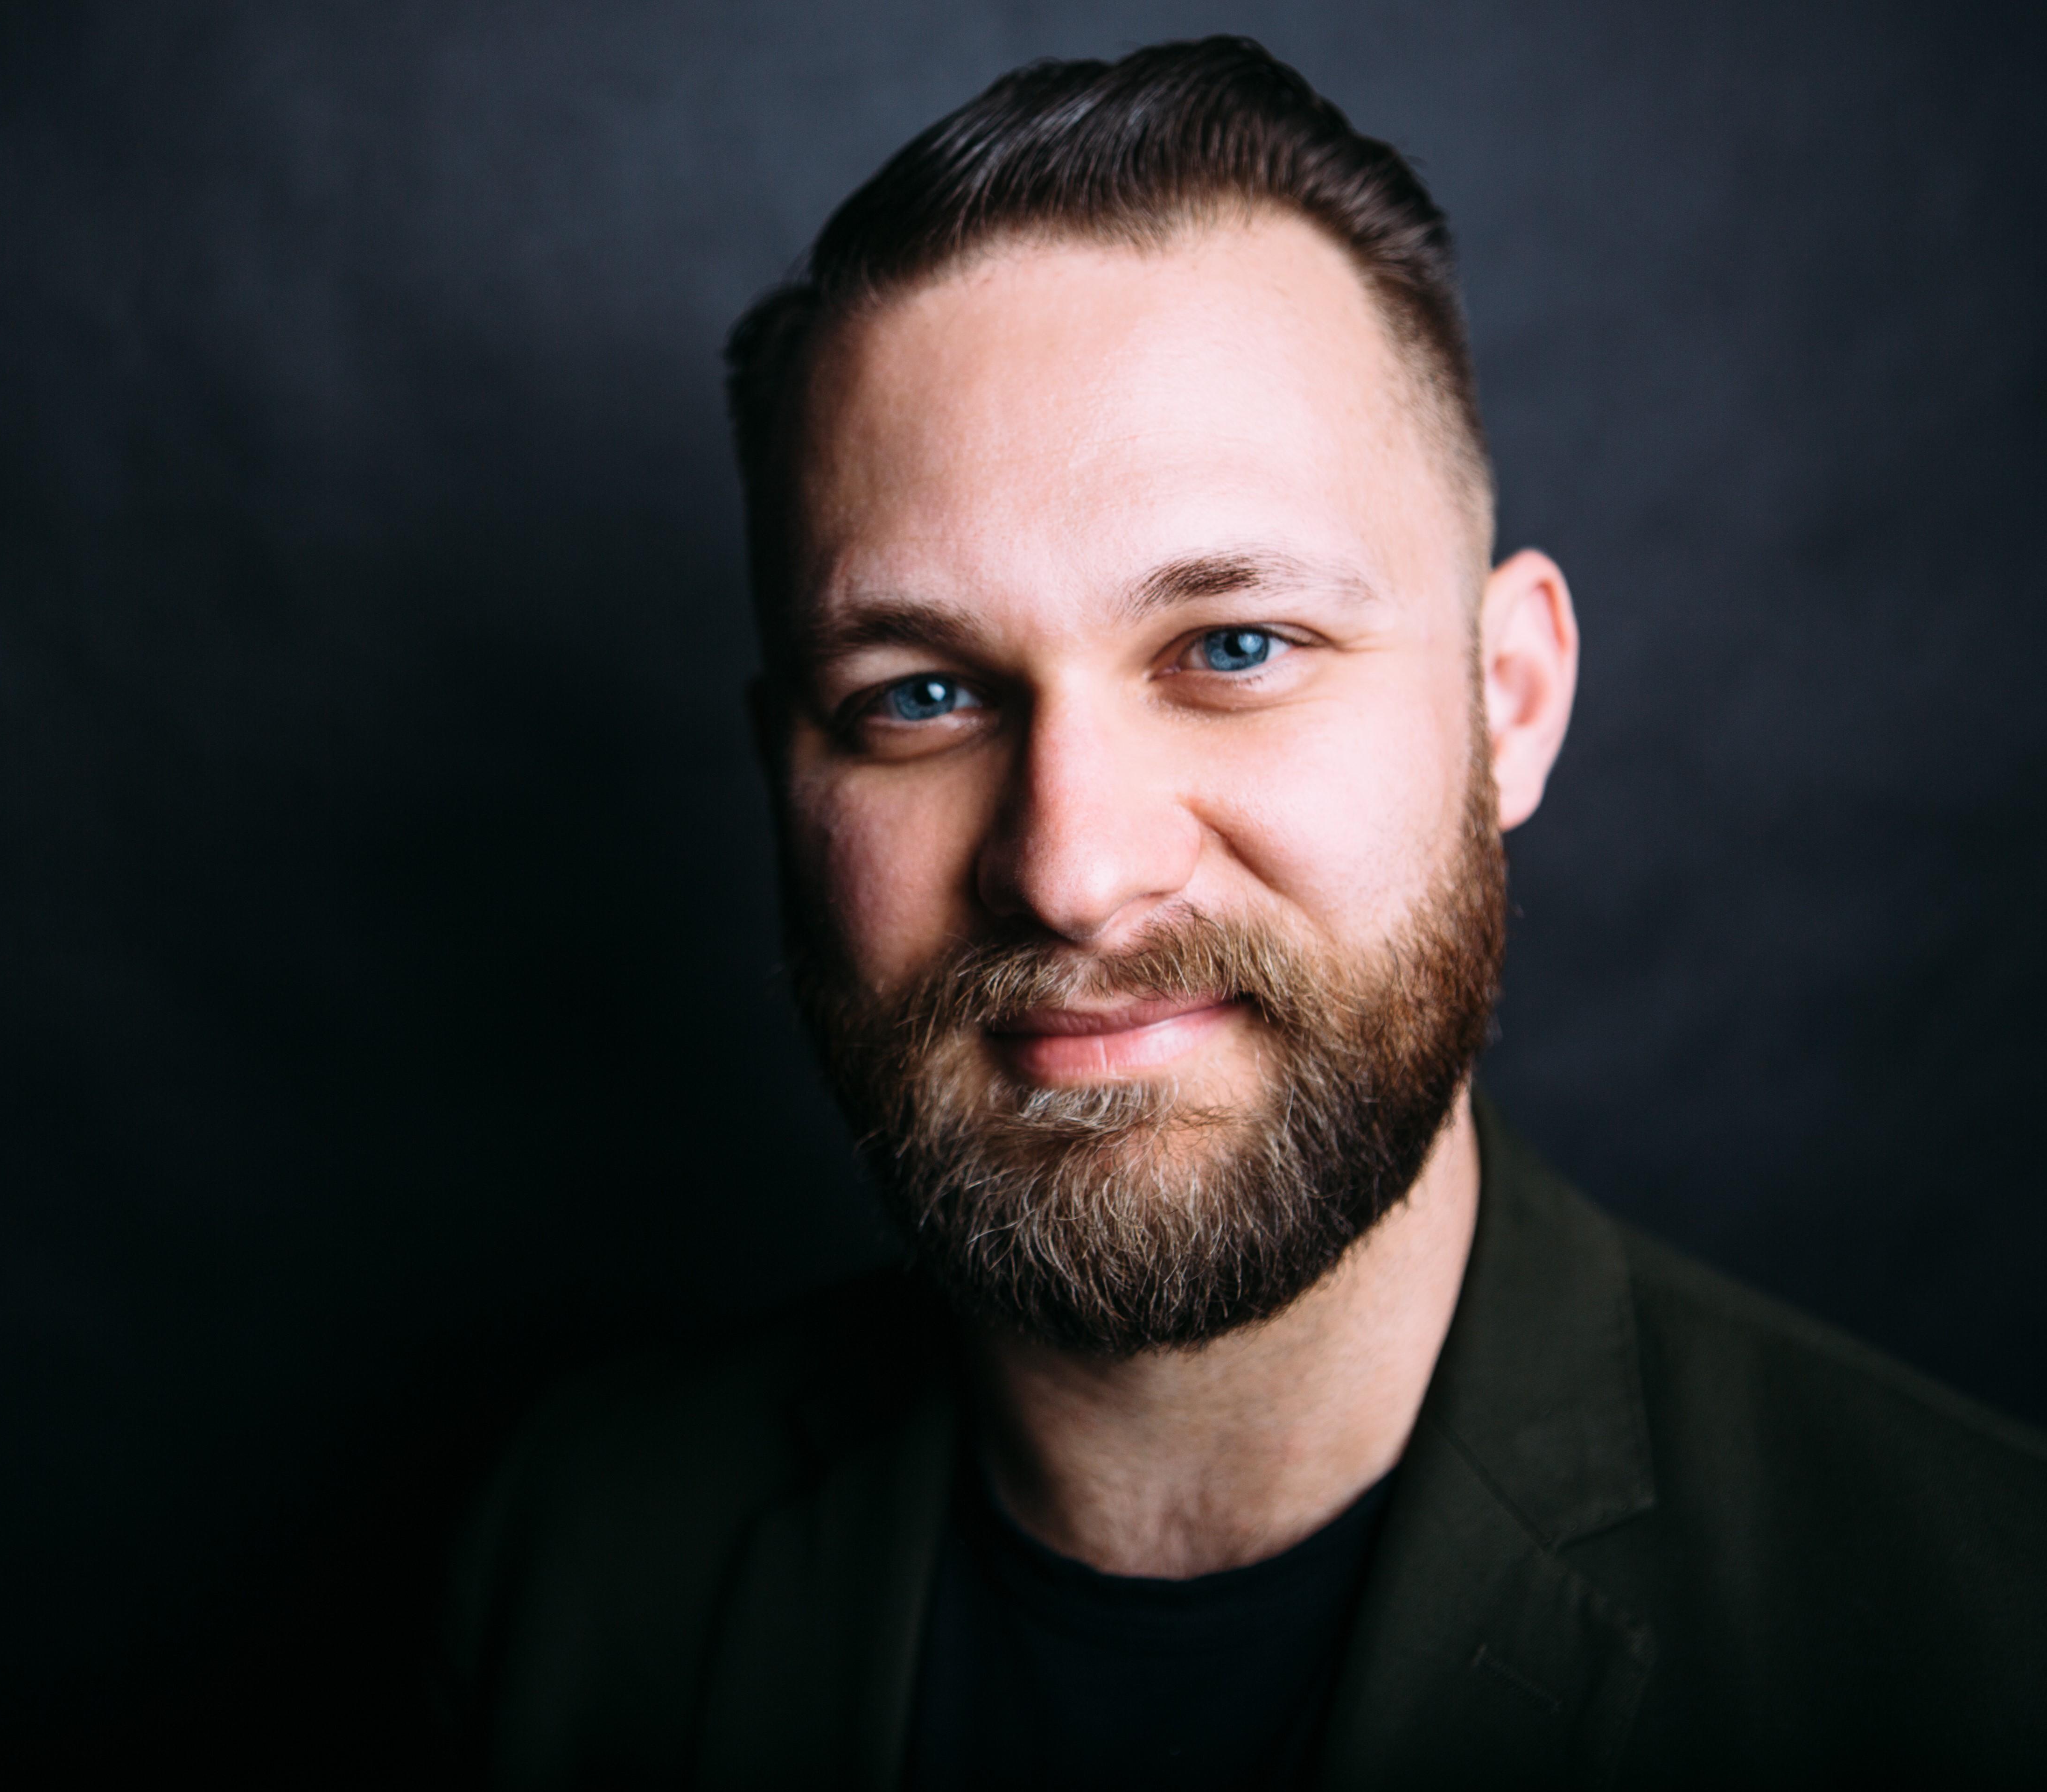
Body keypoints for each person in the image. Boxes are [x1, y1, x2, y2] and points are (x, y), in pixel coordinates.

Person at [443, 38, 2047, 1789]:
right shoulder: (572, 1561)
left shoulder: (1978, 1638)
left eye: (1234, 648)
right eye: (917, 696)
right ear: (784, 779)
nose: (1072, 868)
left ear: (1505, 701)